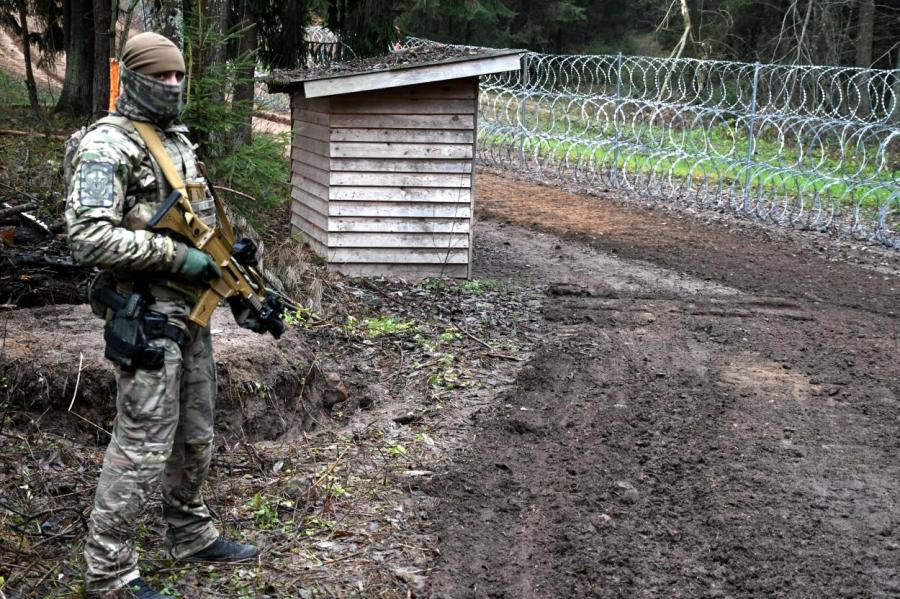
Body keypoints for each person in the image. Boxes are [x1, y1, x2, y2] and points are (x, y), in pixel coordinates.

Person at [65, 32, 258, 599]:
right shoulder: (109, 144)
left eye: (178, 76)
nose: (173, 85)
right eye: (161, 77)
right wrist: (179, 257)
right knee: (141, 443)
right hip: (146, 314)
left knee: (195, 431)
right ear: (134, 77)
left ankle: (190, 532)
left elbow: (192, 218)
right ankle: (109, 572)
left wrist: (229, 267)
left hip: (188, 315)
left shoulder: (174, 141)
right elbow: (88, 238)